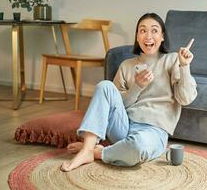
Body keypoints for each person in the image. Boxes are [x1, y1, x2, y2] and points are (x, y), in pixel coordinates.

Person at [61, 13, 197, 172]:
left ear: (162, 37)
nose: (148, 36)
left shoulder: (173, 60)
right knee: (105, 86)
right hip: (123, 126)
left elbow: (185, 98)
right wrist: (137, 87)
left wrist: (184, 66)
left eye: (154, 31)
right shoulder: (126, 65)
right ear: (137, 37)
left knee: (138, 146)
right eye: (142, 31)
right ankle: (87, 149)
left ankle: (98, 152)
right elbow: (118, 104)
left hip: (153, 132)